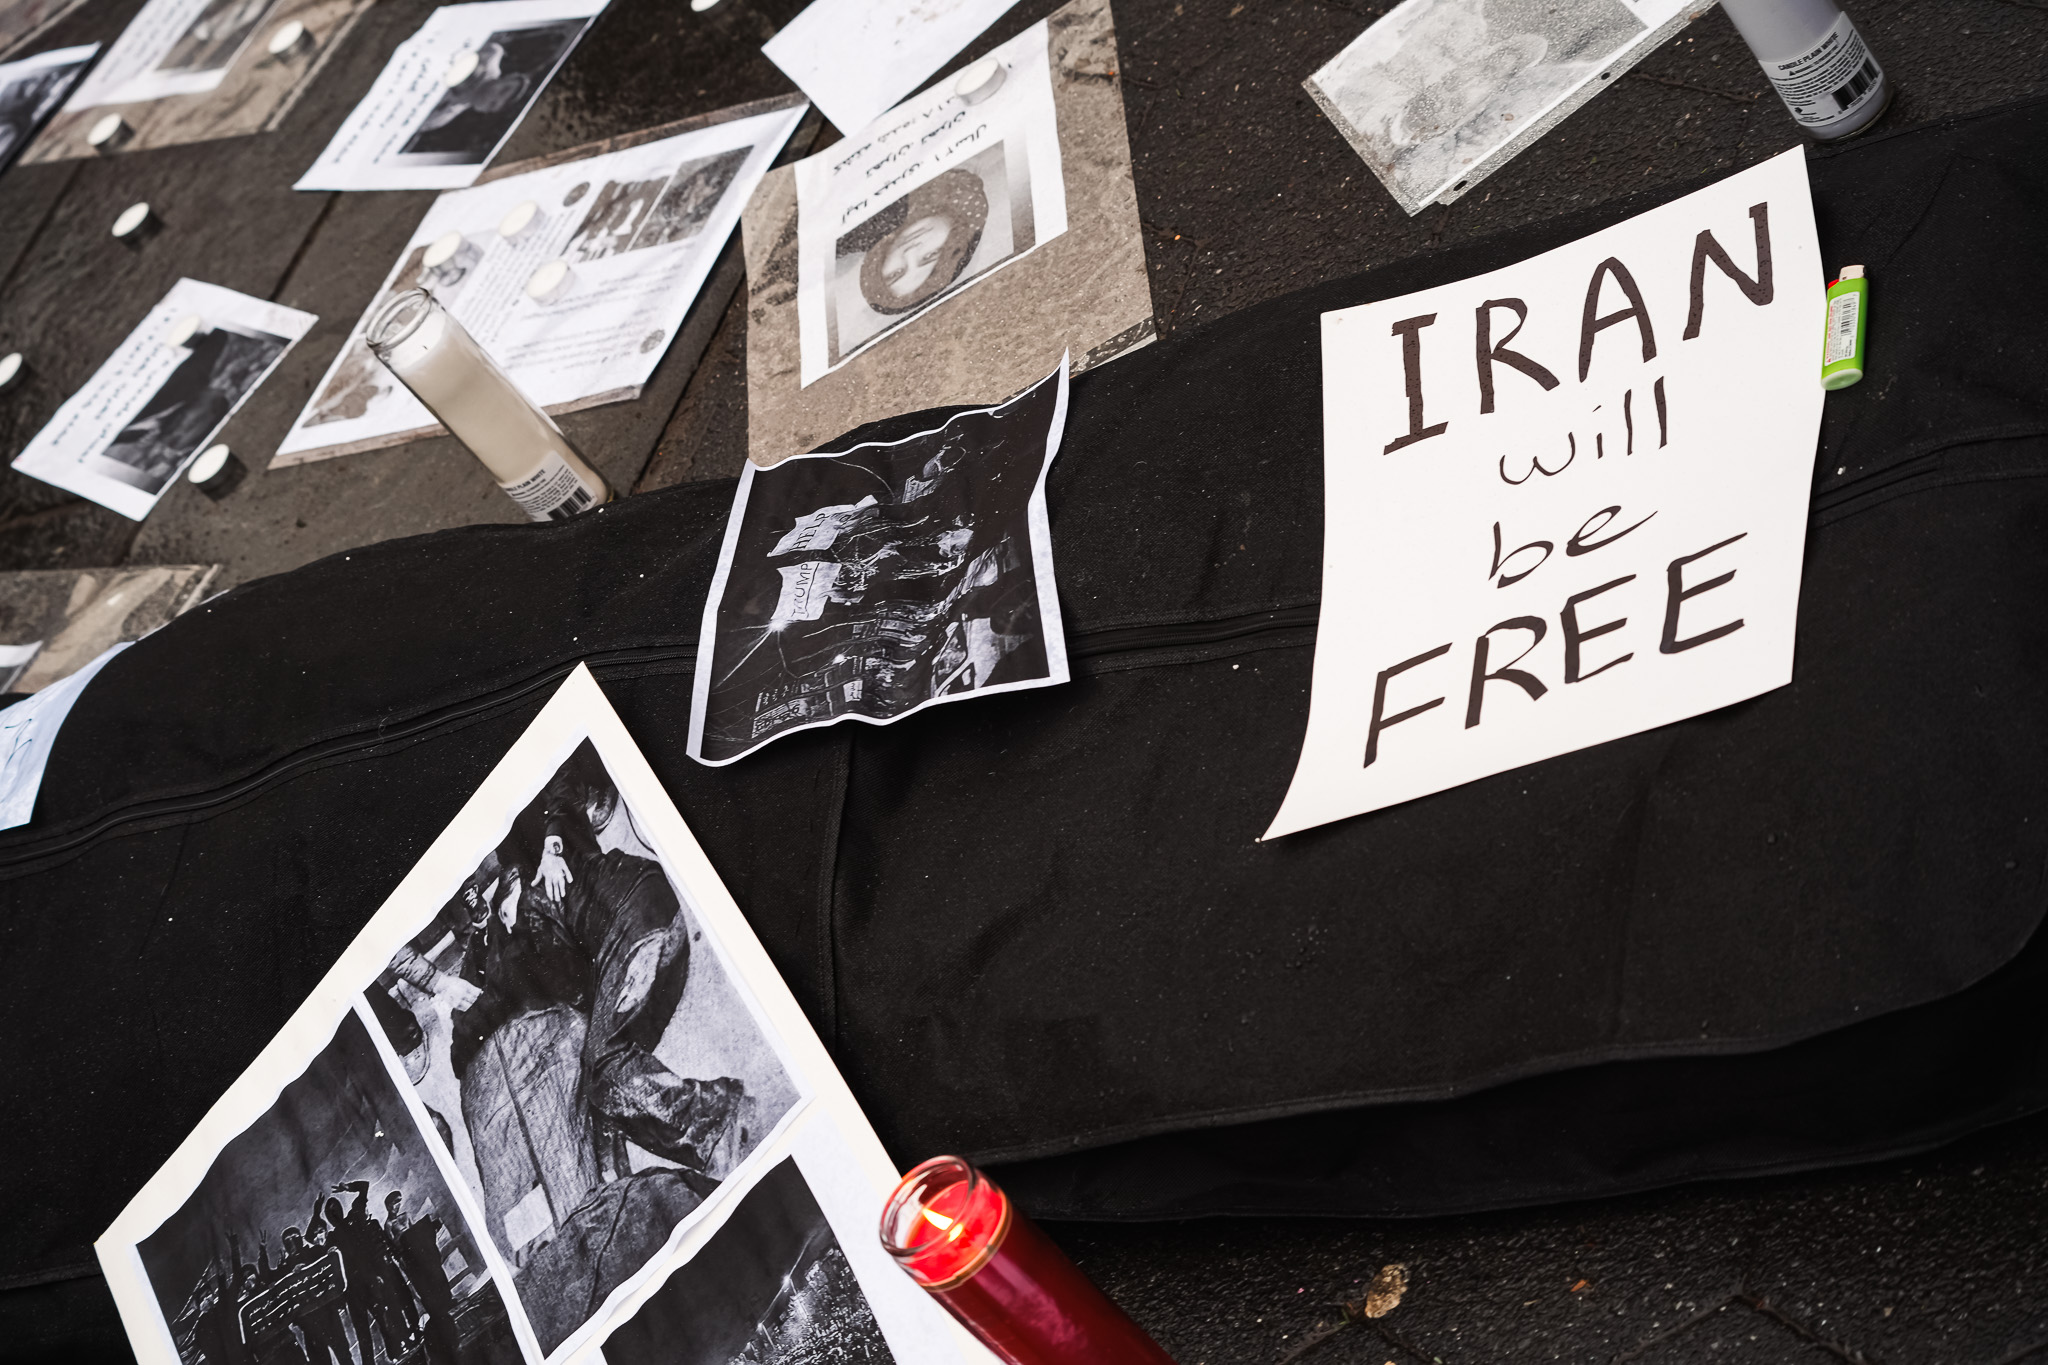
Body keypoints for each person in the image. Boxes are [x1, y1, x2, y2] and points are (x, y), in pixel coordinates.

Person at [854, 169, 990, 316]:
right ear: (955, 240)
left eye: (896, 273)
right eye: (930, 255)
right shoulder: (960, 179)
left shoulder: (861, 224)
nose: (909, 252)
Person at [383, 1191, 460, 1365]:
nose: (397, 1206)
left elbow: (415, 1230)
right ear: (388, 1205)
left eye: (398, 1202)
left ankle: (446, 1300)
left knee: (434, 1273)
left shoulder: (406, 1216)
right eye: (394, 1203)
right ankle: (435, 1308)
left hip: (418, 1249)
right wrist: (404, 1246)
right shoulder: (388, 1224)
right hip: (409, 1253)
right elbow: (394, 1243)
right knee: (422, 1282)